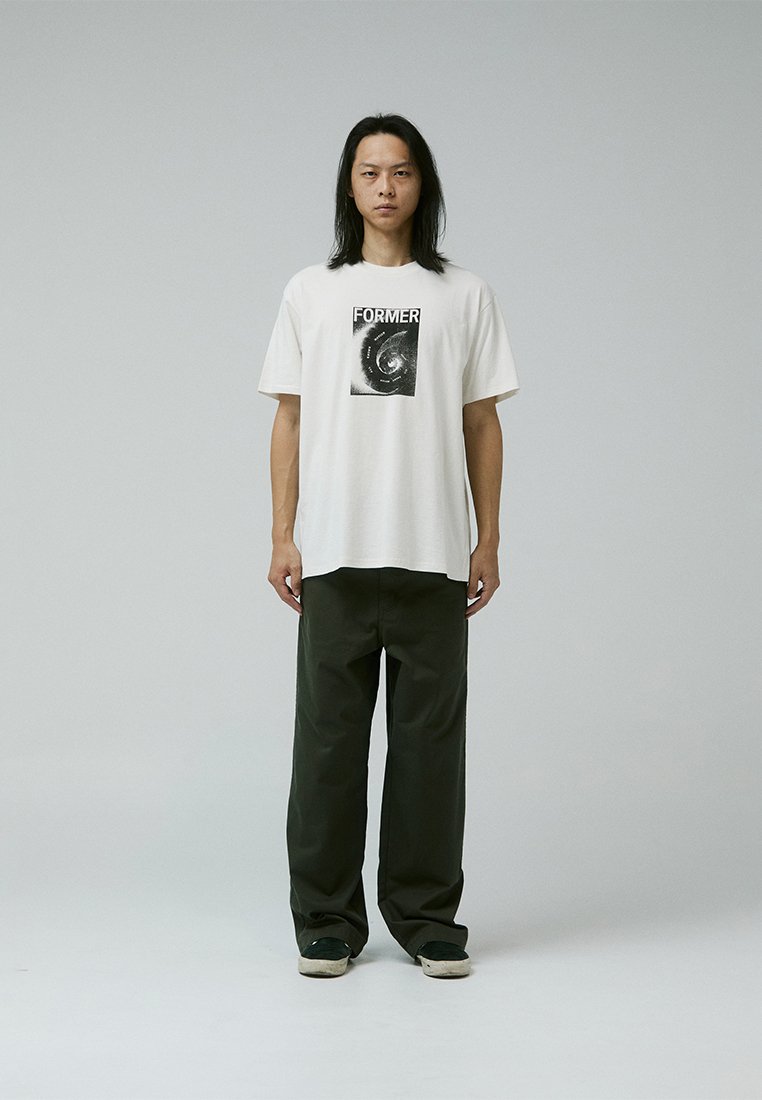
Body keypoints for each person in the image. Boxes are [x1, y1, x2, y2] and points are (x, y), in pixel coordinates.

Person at [257, 113, 520, 979]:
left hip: (433, 553)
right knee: (328, 747)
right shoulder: (311, 291)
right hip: (335, 554)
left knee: (430, 750)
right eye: (370, 172)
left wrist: (487, 538)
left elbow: (482, 423)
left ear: (421, 185)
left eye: (400, 172)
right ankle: (326, 920)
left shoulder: (464, 294)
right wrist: (283, 534)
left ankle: (426, 917)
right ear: (350, 185)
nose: (385, 187)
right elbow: (289, 417)